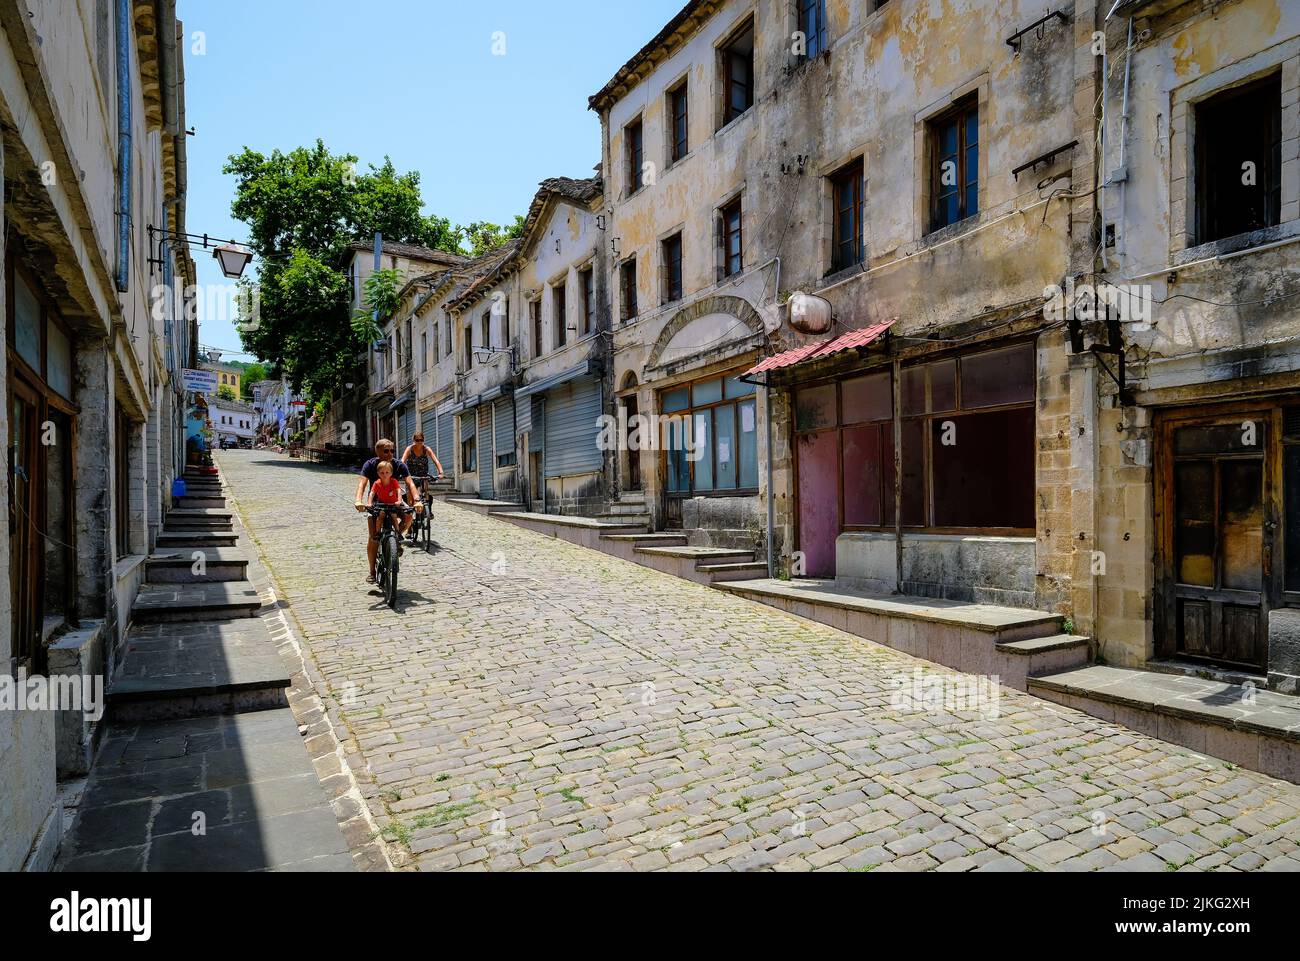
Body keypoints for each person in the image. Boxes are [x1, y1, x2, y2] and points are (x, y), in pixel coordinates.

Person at [354, 439, 422, 583]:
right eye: (386, 451)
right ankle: (372, 571)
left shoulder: (399, 465)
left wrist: (417, 500)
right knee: (373, 538)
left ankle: (396, 538)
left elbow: (409, 483)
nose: (390, 454)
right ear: (378, 452)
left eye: (392, 450)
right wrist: (359, 500)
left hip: (394, 501)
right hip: (376, 503)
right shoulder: (370, 465)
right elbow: (362, 483)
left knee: (409, 515)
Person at [364, 461, 406, 583]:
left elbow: (398, 491)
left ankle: (397, 534)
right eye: (382, 472)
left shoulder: (393, 481)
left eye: (387, 472)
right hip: (381, 504)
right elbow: (372, 493)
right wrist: (369, 502)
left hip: (393, 504)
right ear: (378, 473)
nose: (385, 474)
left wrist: (399, 501)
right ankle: (377, 533)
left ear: (391, 473)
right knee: (380, 516)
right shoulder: (377, 483)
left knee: (394, 516)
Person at [400, 433, 444, 541]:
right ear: (413, 440)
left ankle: (428, 511)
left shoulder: (426, 449)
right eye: (417, 440)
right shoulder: (409, 449)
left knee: (426, 493)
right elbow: (402, 461)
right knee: (410, 502)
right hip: (411, 477)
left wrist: (441, 472)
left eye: (421, 440)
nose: (419, 442)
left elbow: (436, 461)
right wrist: (399, 472)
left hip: (423, 476)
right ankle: (409, 529)